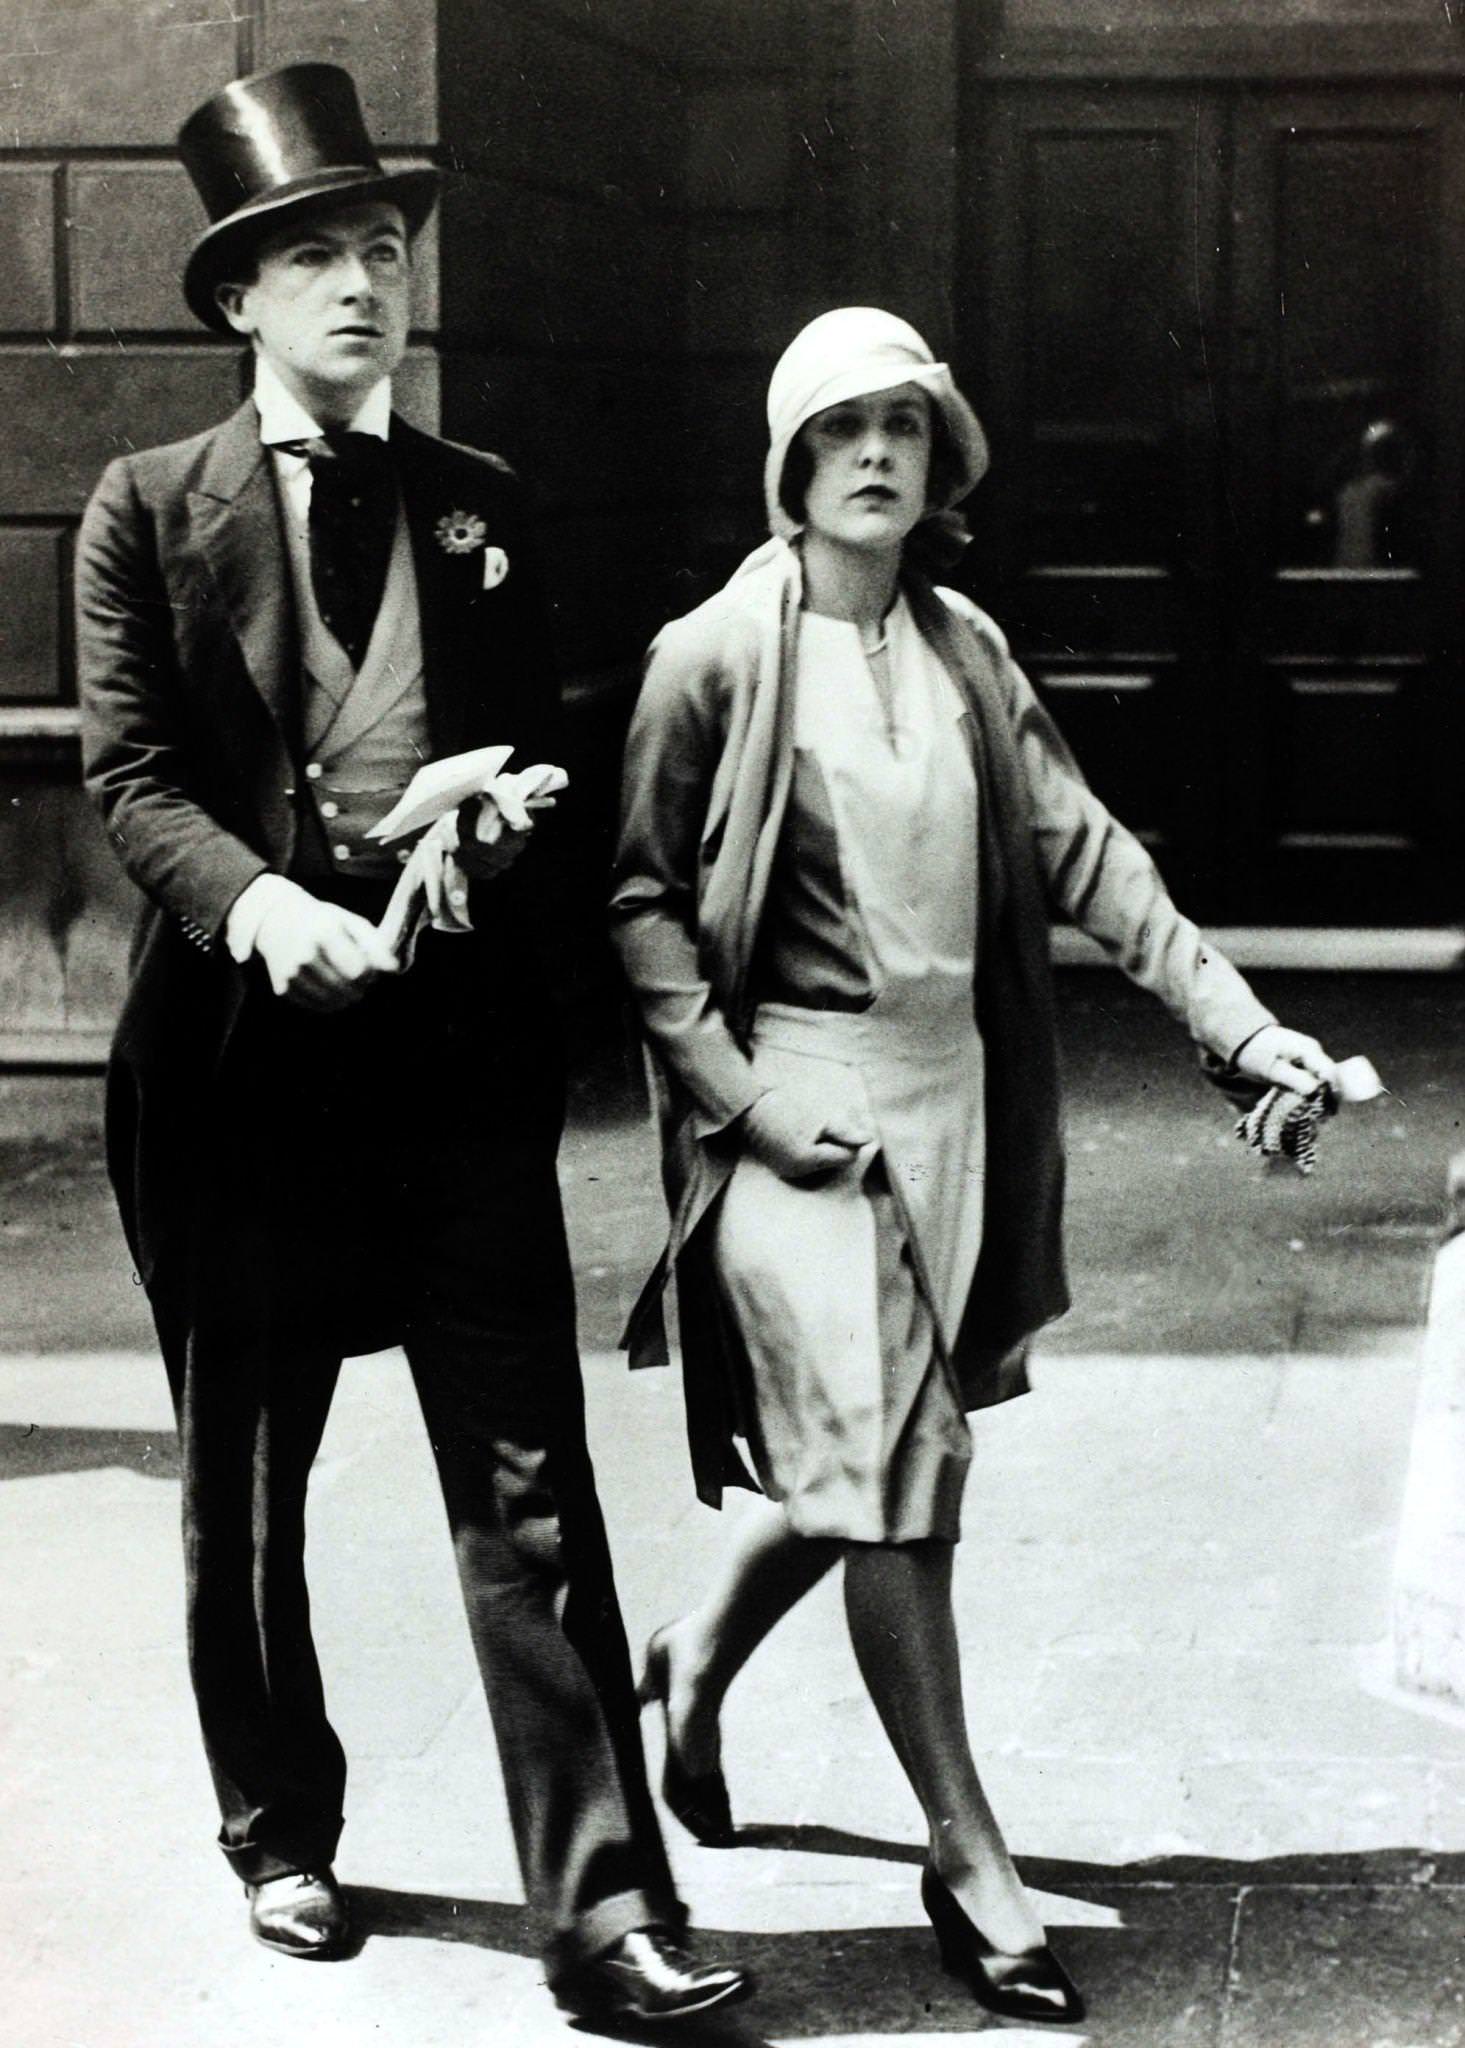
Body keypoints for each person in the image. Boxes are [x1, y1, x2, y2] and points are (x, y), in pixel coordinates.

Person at [75, 62, 749, 2026]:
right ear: (241, 300)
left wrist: (483, 816)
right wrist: (266, 897)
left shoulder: (483, 513)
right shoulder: (142, 511)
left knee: (530, 1485)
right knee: (249, 1484)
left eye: (379, 248)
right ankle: (278, 1824)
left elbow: (532, 756)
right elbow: (129, 778)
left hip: (448, 1071)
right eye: (316, 255)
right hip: (232, 1084)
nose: (363, 283)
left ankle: (608, 1906)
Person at [609, 306, 1342, 2025]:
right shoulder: (708, 654)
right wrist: (738, 1100)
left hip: (952, 1108)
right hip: (799, 1112)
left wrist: (1238, 1028)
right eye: (842, 428)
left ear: (940, 464)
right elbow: (639, 905)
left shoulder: (962, 647)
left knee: (875, 1456)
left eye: (908, 429)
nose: (877, 454)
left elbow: (1091, 857)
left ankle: (692, 1654)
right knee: (903, 1474)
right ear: (790, 463)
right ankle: (968, 1850)